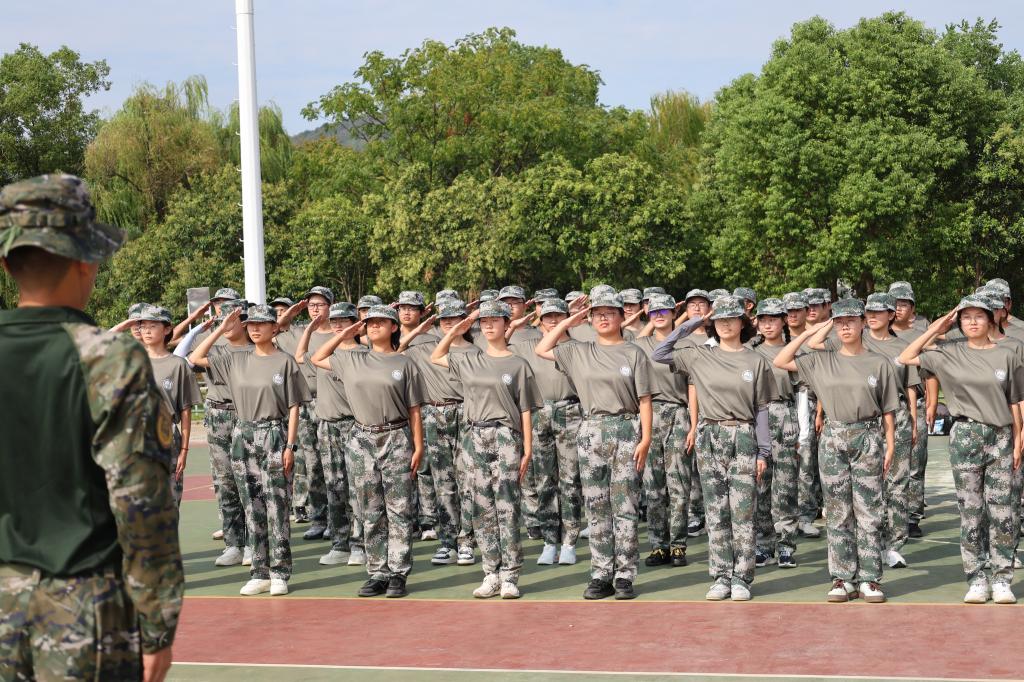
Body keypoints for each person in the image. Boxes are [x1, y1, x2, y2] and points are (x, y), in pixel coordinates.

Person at [0, 174, 182, 681]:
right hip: (83, 605)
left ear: (7, 263)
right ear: (86, 259)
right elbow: (141, 505)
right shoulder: (108, 358)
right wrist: (157, 624)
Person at [899, 295, 1024, 604]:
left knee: (1002, 511)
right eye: (966, 317)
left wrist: (1019, 437)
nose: (972, 322)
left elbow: (1015, 399)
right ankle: (977, 577)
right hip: (965, 435)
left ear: (991, 320)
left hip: (1001, 435)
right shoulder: (947, 353)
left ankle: (1002, 578)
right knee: (971, 511)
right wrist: (937, 327)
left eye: (979, 316)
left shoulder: (1008, 354)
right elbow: (906, 356)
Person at [653, 296, 777, 601]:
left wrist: (763, 451)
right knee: (716, 510)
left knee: (742, 510)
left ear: (743, 323)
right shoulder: (699, 355)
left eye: (732, 318)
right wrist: (695, 320)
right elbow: (660, 352)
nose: (726, 324)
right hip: (710, 434)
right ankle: (721, 575)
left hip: (743, 435)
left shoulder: (756, 361)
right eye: (720, 319)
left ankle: (742, 577)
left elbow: (762, 409)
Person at [775, 298, 898, 604]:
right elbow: (781, 360)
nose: (845, 327)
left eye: (851, 321)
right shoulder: (822, 360)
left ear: (862, 323)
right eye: (839, 322)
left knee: (869, 510)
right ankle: (842, 578)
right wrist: (811, 330)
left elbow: (888, 409)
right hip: (833, 437)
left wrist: (891, 444)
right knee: (837, 511)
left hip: (867, 436)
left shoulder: (879, 363)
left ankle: (870, 578)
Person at [535, 291, 654, 600]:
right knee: (596, 505)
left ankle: (624, 574)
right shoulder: (579, 351)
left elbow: (644, 400)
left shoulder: (634, 353)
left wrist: (646, 438)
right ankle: (601, 573)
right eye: (597, 313)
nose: (603, 317)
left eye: (610, 312)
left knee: (624, 505)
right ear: (588, 318)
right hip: (590, 429)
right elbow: (542, 348)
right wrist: (569, 320)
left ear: (621, 316)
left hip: (626, 427)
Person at [190, 305, 309, 597]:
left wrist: (290, 445)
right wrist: (220, 329)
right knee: (252, 507)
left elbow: (294, 406)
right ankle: (259, 572)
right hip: (242, 434)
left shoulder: (284, 361)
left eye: (261, 324)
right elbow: (195, 357)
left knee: (277, 506)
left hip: (274, 434)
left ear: (274, 327)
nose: (255, 328)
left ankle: (279, 572)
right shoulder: (236, 359)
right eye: (250, 324)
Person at [311, 305, 425, 598]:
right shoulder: (352, 359)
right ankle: (378, 572)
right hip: (362, 438)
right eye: (369, 322)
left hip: (396, 436)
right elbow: (317, 357)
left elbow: (414, 409)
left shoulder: (405, 363)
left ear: (394, 327)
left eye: (381, 322)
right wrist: (344, 335)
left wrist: (418, 445)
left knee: (399, 509)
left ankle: (398, 572)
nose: (374, 326)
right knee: (370, 509)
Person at [431, 301, 543, 598]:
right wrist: (457, 328)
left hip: (505, 435)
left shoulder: (518, 364)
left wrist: (527, 449)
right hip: (474, 435)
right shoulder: (470, 359)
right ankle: (491, 572)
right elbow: (436, 355)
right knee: (481, 507)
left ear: (507, 323)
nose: (489, 325)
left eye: (495, 320)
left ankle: (510, 575)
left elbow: (526, 408)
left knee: (507, 506)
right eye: (485, 321)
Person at [176, 298, 253, 566]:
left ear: (245, 322)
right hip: (219, 415)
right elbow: (188, 357)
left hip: (246, 414)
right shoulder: (216, 349)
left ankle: (254, 543)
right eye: (222, 320)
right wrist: (217, 329)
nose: (226, 325)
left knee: (250, 482)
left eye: (232, 320)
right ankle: (234, 544)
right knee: (225, 481)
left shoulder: (257, 350)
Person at [403, 300, 480, 566]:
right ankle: (448, 542)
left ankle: (467, 540)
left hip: (466, 414)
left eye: (455, 319)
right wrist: (418, 330)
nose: (449, 323)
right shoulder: (426, 347)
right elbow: (397, 349)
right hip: (435, 414)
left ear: (465, 322)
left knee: (467, 481)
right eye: (444, 320)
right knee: (443, 483)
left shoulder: (476, 352)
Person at [513, 298, 585, 565]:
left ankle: (569, 541)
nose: (553, 321)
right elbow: (498, 344)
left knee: (570, 481)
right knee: (544, 481)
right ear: (540, 320)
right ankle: (549, 540)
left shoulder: (578, 347)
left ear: (567, 318)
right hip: (540, 413)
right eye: (547, 317)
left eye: (558, 316)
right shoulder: (529, 345)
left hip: (570, 412)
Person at [296, 302, 365, 566]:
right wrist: (310, 329)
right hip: (328, 427)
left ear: (355, 324)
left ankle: (360, 544)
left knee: (358, 488)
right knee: (334, 486)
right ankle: (340, 543)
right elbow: (300, 355)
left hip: (355, 425)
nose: (338, 325)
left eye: (343, 321)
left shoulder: (365, 354)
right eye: (334, 321)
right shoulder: (324, 354)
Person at [633, 293, 693, 568]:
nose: (659, 316)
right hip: (648, 415)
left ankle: (678, 545)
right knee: (653, 486)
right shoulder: (640, 345)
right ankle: (659, 545)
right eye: (654, 311)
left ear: (673, 313)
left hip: (678, 413)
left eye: (664, 311)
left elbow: (693, 385)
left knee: (678, 483)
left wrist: (694, 423)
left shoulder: (685, 345)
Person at [276, 288, 332, 535]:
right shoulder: (298, 331)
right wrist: (291, 312)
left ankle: (340, 519)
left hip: (333, 403)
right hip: (307, 404)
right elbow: (275, 328)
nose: (315, 309)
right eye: (311, 305)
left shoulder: (339, 332)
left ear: (330, 306)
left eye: (320, 304)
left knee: (335, 463)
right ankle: (319, 519)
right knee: (312, 462)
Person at [750, 298, 800, 568]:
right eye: (763, 320)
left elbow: (803, 391)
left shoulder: (792, 351)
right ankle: (764, 544)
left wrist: (802, 432)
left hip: (785, 416)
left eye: (773, 319)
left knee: (786, 484)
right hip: (757, 416)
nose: (768, 325)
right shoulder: (749, 351)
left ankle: (786, 545)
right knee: (760, 483)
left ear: (784, 321)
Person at [136, 305, 202, 507]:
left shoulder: (178, 365)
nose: (146, 331)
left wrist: (184, 450)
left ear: (166, 329)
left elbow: (185, 410)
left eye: (153, 326)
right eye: (143, 326)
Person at [889, 282, 929, 538]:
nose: (898, 308)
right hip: (884, 407)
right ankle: (890, 515)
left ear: (912, 308)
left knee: (915, 462)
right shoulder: (875, 334)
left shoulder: (920, 333)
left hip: (915, 403)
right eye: (894, 304)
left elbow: (930, 372)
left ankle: (912, 515)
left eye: (904, 304)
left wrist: (932, 404)